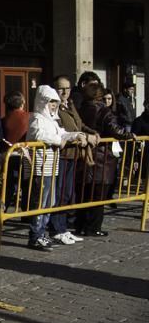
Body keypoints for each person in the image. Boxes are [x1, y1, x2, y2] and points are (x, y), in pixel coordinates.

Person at [24, 86, 87, 251]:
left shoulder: (51, 120)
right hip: (40, 166)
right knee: (40, 202)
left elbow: (62, 132)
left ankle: (42, 232)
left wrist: (76, 135)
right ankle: (35, 235)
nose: (53, 105)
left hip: (52, 166)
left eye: (55, 102)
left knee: (49, 202)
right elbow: (39, 135)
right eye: (51, 102)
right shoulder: (36, 117)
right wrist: (59, 140)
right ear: (43, 101)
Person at [75, 82, 133, 236]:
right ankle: (93, 228)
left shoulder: (80, 109)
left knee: (84, 193)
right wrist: (128, 135)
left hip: (83, 155)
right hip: (101, 157)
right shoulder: (103, 110)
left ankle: (80, 225)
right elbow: (114, 129)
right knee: (98, 196)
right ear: (99, 96)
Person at [48, 75, 95, 244]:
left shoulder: (71, 104)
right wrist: (80, 136)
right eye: (61, 88)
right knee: (60, 193)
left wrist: (92, 133)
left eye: (67, 88)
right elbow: (62, 130)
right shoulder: (53, 107)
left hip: (73, 155)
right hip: (62, 154)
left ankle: (63, 228)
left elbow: (79, 124)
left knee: (67, 193)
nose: (65, 91)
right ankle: (56, 229)